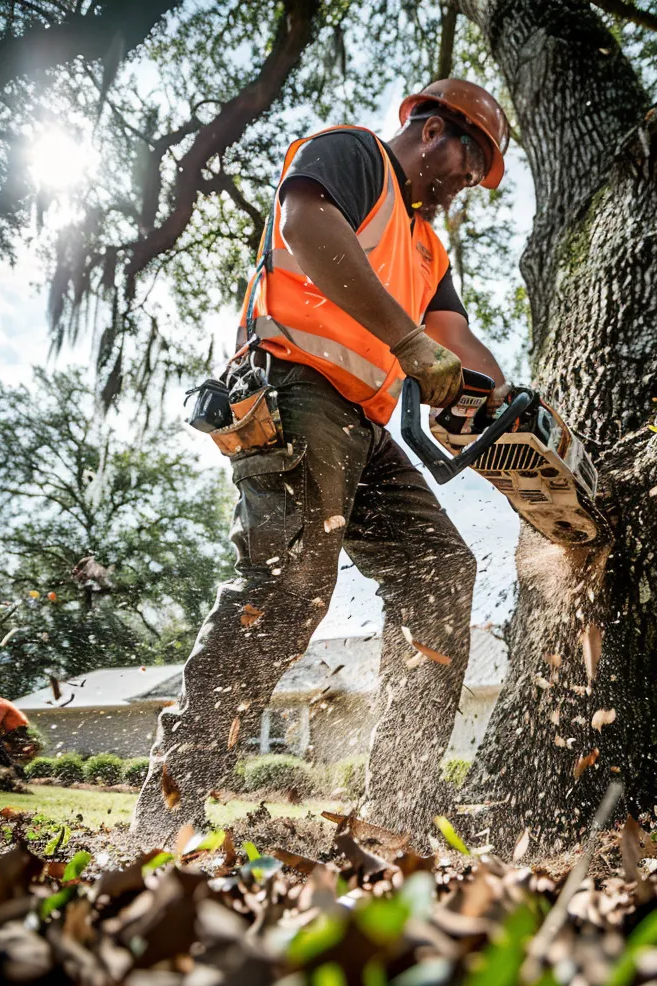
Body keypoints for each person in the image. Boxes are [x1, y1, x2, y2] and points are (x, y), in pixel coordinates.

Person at [131, 79, 512, 842]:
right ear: (435, 132)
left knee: (440, 571)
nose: (465, 186)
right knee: (290, 584)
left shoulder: (429, 247)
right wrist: (409, 346)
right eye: (466, 168)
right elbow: (305, 222)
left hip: (367, 429)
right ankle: (168, 809)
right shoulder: (351, 154)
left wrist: (509, 399)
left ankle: (395, 811)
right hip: (295, 385)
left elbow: (455, 338)